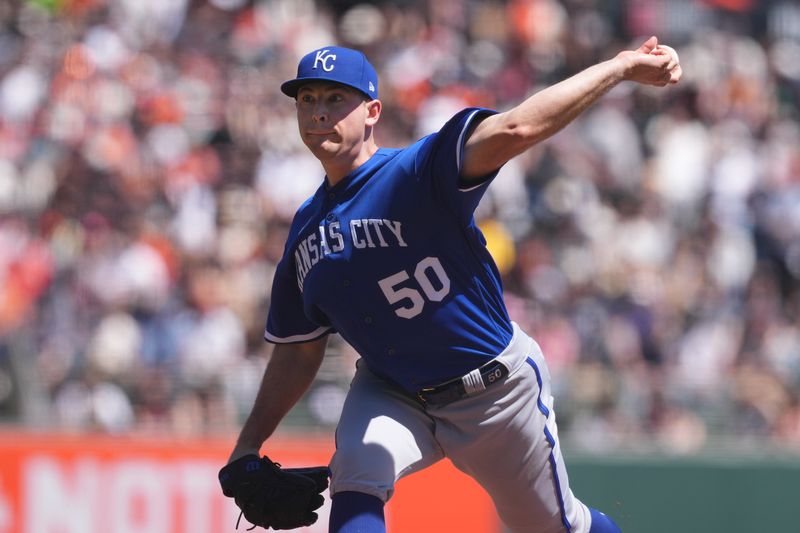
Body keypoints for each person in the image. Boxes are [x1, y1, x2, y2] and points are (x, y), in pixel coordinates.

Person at [221, 37, 682, 533]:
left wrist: (618, 68)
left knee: (559, 526)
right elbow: (298, 351)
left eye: (336, 99)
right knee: (356, 471)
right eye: (307, 99)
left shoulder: (415, 173)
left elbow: (516, 126)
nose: (318, 112)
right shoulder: (306, 231)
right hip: (394, 390)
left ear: (372, 110)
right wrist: (247, 445)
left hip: (495, 391)